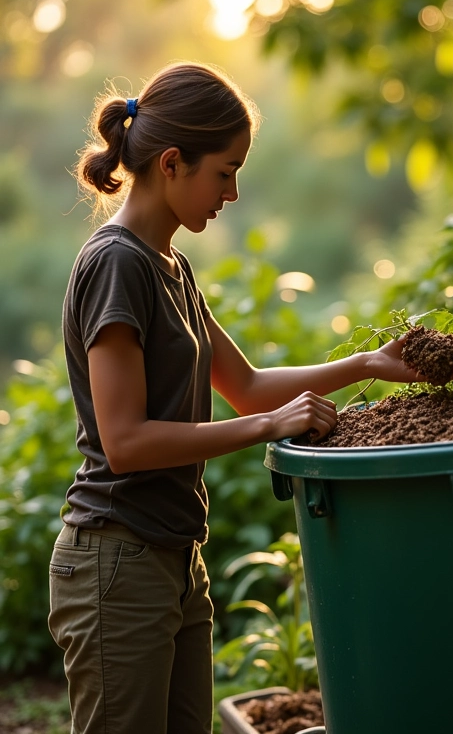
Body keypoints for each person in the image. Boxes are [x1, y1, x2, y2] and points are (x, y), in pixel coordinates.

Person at [48, 61, 422, 734]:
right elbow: (125, 443)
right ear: (171, 163)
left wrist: (368, 363)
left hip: (172, 559)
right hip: (116, 561)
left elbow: (246, 388)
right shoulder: (116, 265)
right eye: (225, 171)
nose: (235, 192)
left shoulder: (170, 267)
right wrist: (270, 428)